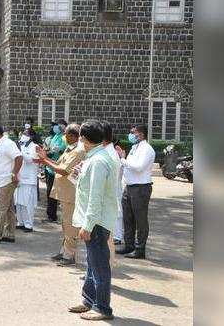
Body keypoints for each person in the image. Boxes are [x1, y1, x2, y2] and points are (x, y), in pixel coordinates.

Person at [67, 119, 118, 321]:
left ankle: (103, 308)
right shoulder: (95, 157)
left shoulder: (98, 161)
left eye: (80, 136)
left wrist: (87, 226)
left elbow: (96, 197)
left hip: (96, 221)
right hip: (94, 219)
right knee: (92, 263)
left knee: (99, 266)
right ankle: (89, 300)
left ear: (84, 139)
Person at [36, 123, 86, 266]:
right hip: (65, 192)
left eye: (65, 134)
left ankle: (69, 254)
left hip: (71, 193)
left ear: (72, 136)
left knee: (70, 225)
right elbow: (58, 164)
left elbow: (64, 170)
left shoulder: (78, 151)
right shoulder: (71, 149)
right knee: (65, 224)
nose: (63, 137)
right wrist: (44, 158)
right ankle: (65, 250)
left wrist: (44, 160)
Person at [115, 124, 156, 259]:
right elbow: (129, 165)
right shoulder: (134, 147)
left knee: (140, 219)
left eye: (134, 133)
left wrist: (122, 160)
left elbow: (138, 167)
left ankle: (140, 249)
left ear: (142, 134)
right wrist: (123, 157)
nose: (131, 135)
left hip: (141, 187)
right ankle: (129, 245)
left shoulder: (147, 149)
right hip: (130, 186)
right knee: (128, 218)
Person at [14, 129, 39, 232]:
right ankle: (21, 222)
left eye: (25, 134)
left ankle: (29, 225)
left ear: (31, 136)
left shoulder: (35, 147)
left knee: (27, 203)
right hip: (20, 178)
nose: (22, 135)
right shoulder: (22, 146)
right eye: (22, 133)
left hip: (29, 179)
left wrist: (21, 151)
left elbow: (30, 160)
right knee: (18, 202)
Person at [43, 119, 68, 222]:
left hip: (57, 168)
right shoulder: (55, 136)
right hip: (50, 166)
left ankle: (52, 215)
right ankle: (50, 214)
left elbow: (65, 150)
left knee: (53, 193)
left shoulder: (64, 137)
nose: (55, 128)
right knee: (49, 192)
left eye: (58, 126)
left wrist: (59, 150)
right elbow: (50, 148)